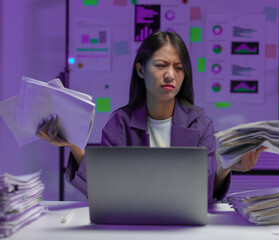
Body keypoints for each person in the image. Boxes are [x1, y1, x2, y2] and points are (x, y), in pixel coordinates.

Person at [36, 31, 266, 204]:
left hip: (185, 229)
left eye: (178, 68)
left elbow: (204, 194)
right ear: (140, 70)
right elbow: (101, 190)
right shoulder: (120, 123)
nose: (170, 75)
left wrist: (225, 168)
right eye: (161, 65)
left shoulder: (200, 123)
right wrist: (74, 145)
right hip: (130, 227)